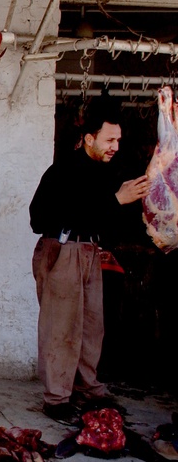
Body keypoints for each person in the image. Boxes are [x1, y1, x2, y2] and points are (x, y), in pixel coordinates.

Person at [29, 97, 150, 424]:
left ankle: (88, 390)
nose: (115, 146)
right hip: (63, 251)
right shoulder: (63, 170)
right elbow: (39, 219)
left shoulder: (109, 171)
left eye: (118, 140)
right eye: (110, 140)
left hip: (89, 253)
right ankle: (56, 399)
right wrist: (115, 201)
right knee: (62, 327)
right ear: (89, 138)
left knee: (91, 327)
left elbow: (108, 217)